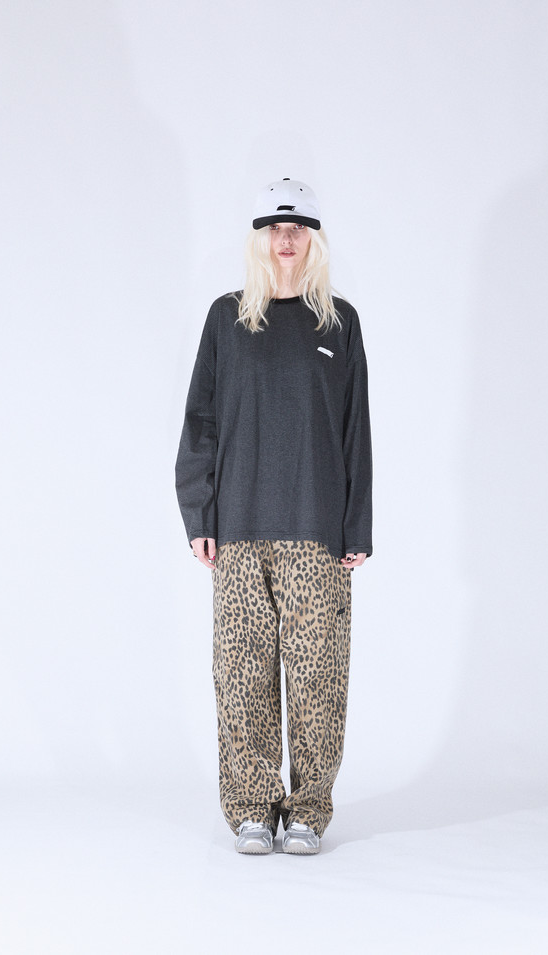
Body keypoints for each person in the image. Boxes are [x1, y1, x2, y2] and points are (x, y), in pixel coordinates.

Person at [175, 178, 372, 855]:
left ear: (314, 239)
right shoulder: (227, 319)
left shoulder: (338, 322)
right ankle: (252, 807)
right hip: (237, 526)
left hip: (317, 526)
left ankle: (309, 808)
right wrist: (199, 511)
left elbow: (355, 429)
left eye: (298, 228)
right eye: (273, 228)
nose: (286, 239)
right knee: (242, 673)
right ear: (259, 239)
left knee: (318, 674)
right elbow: (200, 421)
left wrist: (357, 525)